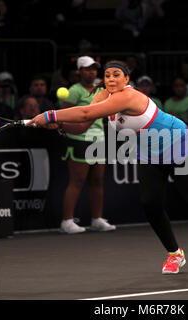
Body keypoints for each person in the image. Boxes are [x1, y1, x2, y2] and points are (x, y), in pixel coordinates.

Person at [27, 60, 188, 275]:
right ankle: (174, 254)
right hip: (149, 151)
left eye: (116, 75)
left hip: (177, 142)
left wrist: (49, 115)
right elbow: (83, 124)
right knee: (150, 204)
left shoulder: (129, 96)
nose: (111, 79)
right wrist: (60, 126)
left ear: (127, 80)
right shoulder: (102, 95)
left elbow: (85, 114)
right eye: (108, 75)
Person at [59, 56, 115, 234]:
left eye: (93, 69)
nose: (91, 72)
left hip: (99, 138)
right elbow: (65, 115)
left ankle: (97, 219)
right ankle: (67, 221)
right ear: (79, 71)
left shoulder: (101, 90)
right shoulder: (74, 91)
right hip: (79, 140)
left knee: (97, 181)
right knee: (77, 180)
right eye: (87, 69)